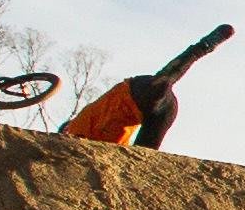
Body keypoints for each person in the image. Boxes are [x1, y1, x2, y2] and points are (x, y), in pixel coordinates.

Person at [63, 23, 236, 151]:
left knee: (162, 83)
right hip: (160, 112)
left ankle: (203, 46)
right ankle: (202, 48)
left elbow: (70, 141)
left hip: (134, 92)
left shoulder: (77, 127)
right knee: (142, 157)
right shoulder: (94, 136)